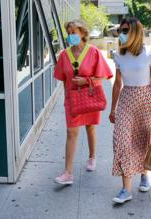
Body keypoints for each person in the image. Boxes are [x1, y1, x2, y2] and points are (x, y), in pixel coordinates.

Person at [109, 17, 151, 204]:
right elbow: (117, 83)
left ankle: (144, 174)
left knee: (143, 141)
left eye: (125, 30)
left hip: (145, 100)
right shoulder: (118, 54)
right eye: (121, 30)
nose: (121, 34)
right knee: (122, 142)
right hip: (126, 100)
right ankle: (126, 189)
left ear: (135, 32)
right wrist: (112, 108)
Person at [54, 19, 113, 185]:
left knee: (90, 127)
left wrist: (86, 81)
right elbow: (62, 78)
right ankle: (68, 173)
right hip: (71, 100)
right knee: (71, 133)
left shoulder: (93, 52)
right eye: (69, 33)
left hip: (89, 96)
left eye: (74, 32)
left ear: (83, 33)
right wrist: (67, 97)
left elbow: (103, 77)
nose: (71, 36)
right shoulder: (64, 55)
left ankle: (92, 157)